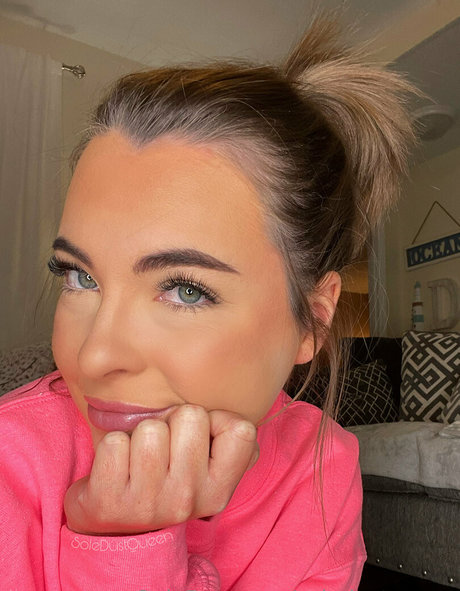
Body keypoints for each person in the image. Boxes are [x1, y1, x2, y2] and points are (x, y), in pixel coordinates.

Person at [0, 13, 417, 591]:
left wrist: (130, 546)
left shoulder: (323, 467)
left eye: (185, 289)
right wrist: (121, 548)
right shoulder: (10, 463)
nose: (93, 358)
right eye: (80, 277)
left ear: (314, 320)